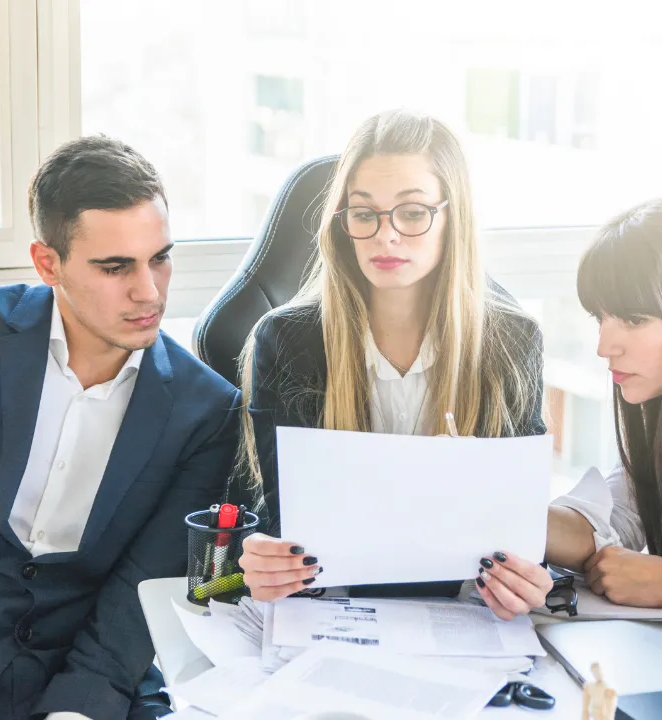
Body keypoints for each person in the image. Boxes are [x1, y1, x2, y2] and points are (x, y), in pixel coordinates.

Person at [0, 136, 240, 720]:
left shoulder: (205, 410)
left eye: (159, 258)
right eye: (115, 267)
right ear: (48, 264)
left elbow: (144, 588)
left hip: (90, 674)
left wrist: (75, 711)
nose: (149, 291)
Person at [237, 109, 554, 619]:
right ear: (344, 225)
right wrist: (256, 560)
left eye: (412, 212)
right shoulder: (288, 341)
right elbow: (269, 525)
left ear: (454, 218)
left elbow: (517, 537)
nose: (386, 236)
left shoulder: (512, 344)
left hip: (467, 621)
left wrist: (529, 580)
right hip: (329, 616)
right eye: (365, 214)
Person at [547, 199, 662, 608]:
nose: (603, 347)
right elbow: (612, 522)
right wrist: (492, 503)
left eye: (633, 319)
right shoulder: (653, 426)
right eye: (600, 318)